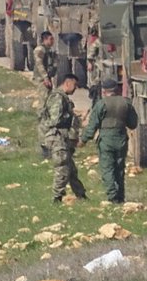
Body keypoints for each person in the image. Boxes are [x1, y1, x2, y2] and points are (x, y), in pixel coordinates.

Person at [80, 76, 137, 204]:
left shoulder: (101, 104)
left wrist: (83, 140)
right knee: (119, 169)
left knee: (107, 169)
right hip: (121, 139)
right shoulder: (126, 103)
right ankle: (121, 197)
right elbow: (133, 124)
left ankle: (113, 196)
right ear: (117, 90)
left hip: (106, 140)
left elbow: (92, 126)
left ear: (104, 91)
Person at [39, 72, 87, 204]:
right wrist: (71, 118)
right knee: (62, 168)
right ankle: (57, 198)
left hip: (62, 137)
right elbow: (55, 119)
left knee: (71, 169)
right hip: (57, 137)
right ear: (67, 83)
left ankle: (81, 195)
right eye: (74, 85)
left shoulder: (62, 97)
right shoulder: (58, 97)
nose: (75, 89)